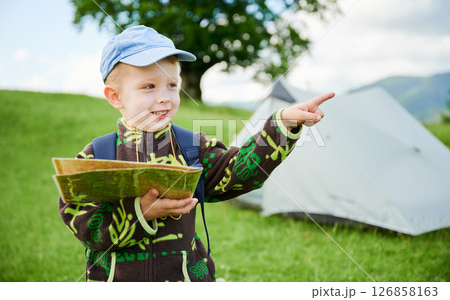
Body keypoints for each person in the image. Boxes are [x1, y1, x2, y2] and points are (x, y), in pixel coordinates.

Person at [58, 25, 334, 282]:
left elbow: (240, 171)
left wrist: (282, 125)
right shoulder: (97, 157)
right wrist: (141, 212)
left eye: (171, 85)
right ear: (115, 96)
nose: (164, 96)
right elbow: (85, 225)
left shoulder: (192, 147)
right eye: (149, 86)